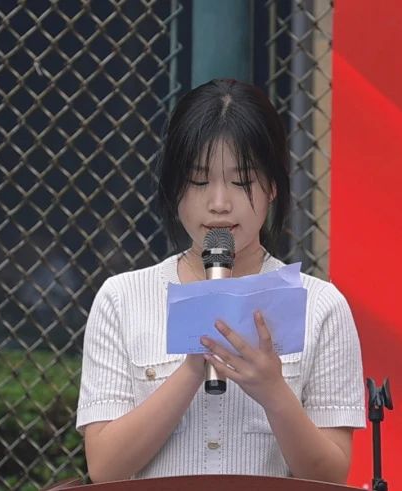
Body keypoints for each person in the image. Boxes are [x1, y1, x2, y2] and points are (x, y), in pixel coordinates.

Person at [76, 79, 365, 484]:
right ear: (174, 187)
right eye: (199, 181)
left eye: (241, 180)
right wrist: (193, 368)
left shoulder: (320, 305)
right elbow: (105, 469)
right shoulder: (122, 299)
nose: (219, 203)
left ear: (273, 185)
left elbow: (331, 477)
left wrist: (273, 391)